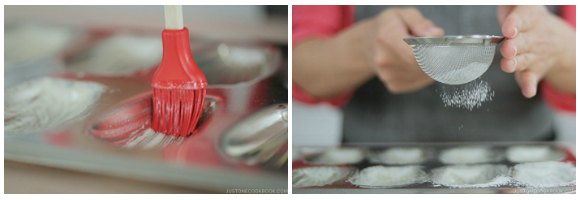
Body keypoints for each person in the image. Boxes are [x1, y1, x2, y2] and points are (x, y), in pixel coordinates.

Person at [293, 5, 575, 142]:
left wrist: (562, 50)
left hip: (519, 169)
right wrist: (363, 47)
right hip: (377, 168)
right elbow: (302, 69)